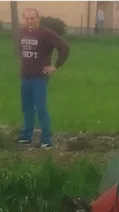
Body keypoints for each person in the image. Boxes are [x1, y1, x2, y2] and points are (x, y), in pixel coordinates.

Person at [16, 7, 69, 149]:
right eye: (27, 19)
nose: (30, 21)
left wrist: (55, 66)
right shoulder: (23, 32)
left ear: (38, 18)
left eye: (32, 18)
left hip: (39, 78)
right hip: (25, 77)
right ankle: (26, 136)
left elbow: (64, 48)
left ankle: (47, 140)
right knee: (26, 108)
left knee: (40, 108)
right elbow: (21, 50)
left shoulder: (46, 34)